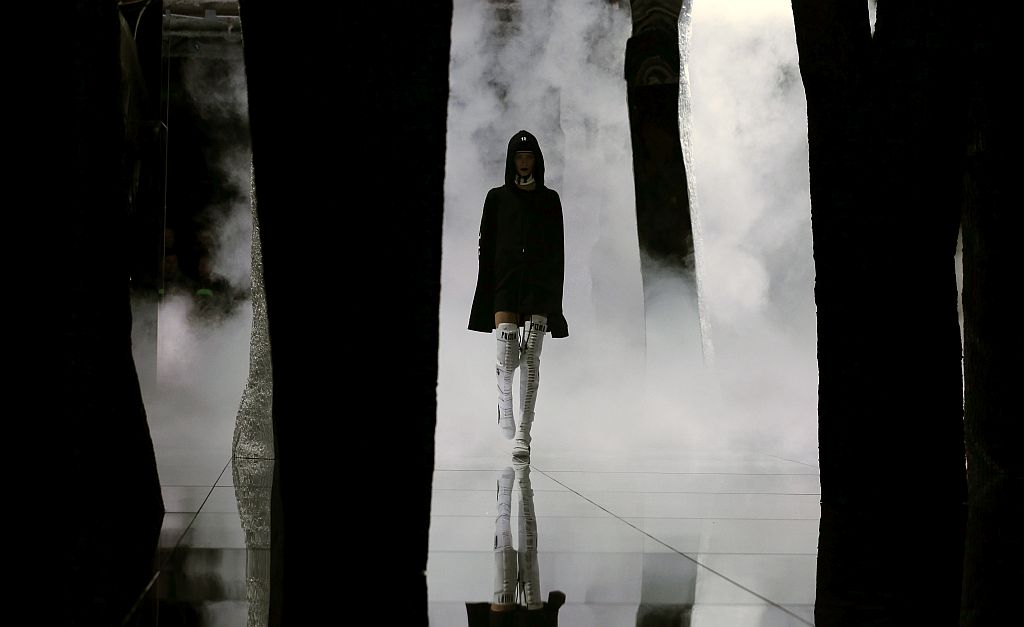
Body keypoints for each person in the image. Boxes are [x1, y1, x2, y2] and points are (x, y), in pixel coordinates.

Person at [469, 129, 569, 462]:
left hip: (539, 283)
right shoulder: (496, 197)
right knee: (508, 351)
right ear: (511, 161)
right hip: (505, 280)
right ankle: (504, 404)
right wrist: (487, 287)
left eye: (529, 158)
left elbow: (557, 250)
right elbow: (486, 245)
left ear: (536, 161)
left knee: (532, 359)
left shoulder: (549, 199)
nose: (524, 163)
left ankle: (524, 434)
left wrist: (555, 298)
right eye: (519, 158)